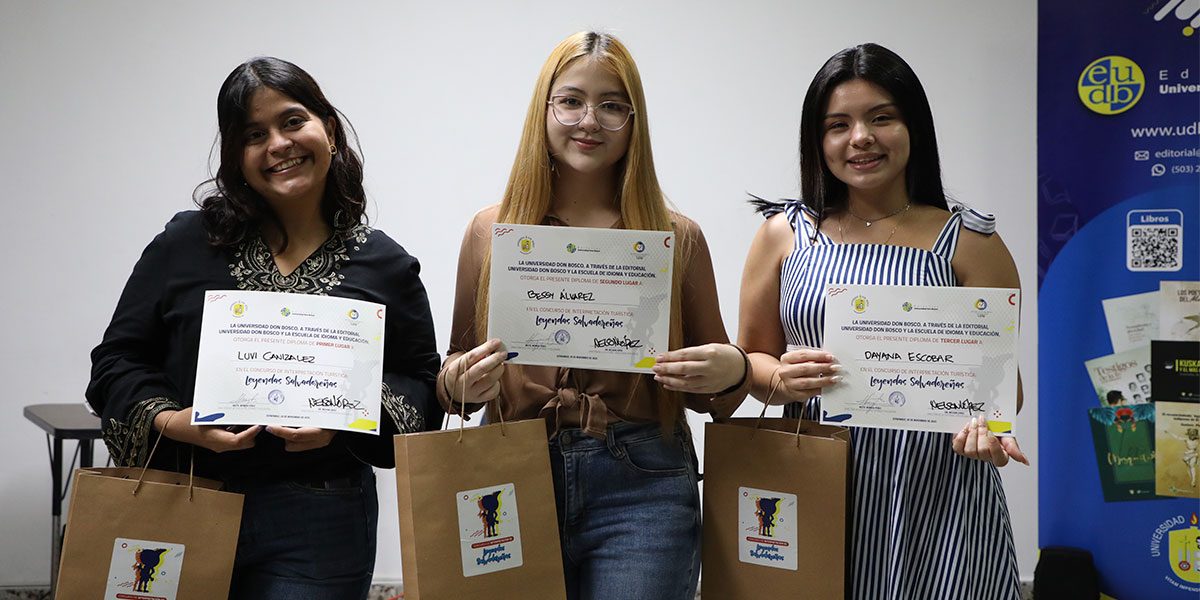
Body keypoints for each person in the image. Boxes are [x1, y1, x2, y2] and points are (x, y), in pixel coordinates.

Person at [86, 57, 442, 599]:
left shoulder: (386, 265)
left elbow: (420, 383)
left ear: (330, 129)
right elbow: (117, 361)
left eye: (293, 121)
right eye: (254, 134)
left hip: (321, 519)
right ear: (235, 156)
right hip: (183, 500)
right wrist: (174, 421)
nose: (278, 143)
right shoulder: (185, 243)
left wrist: (343, 423)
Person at [439, 31, 749, 600]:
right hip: (510, 470)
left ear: (635, 122)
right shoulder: (491, 231)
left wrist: (731, 369)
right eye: (572, 100)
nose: (590, 120)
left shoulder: (676, 238)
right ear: (545, 109)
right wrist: (456, 382)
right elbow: (454, 377)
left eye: (612, 105)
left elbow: (722, 399)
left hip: (643, 484)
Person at [738, 43, 1025, 599]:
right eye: (837, 125)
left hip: (939, 491)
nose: (860, 137)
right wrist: (777, 377)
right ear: (817, 142)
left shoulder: (971, 242)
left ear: (913, 127)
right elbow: (749, 358)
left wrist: (991, 429)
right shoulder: (784, 235)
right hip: (816, 478)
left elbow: (1002, 390)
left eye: (881, 118)